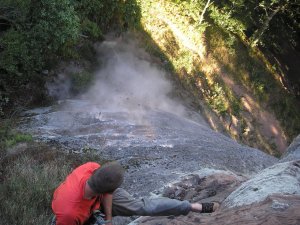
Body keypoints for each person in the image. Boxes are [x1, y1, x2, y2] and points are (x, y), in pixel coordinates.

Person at [51, 161, 219, 225]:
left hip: (94, 196)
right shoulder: (69, 214)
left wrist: (108, 219)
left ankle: (192, 206)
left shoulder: (90, 168)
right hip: (75, 216)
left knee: (142, 207)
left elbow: (107, 192)